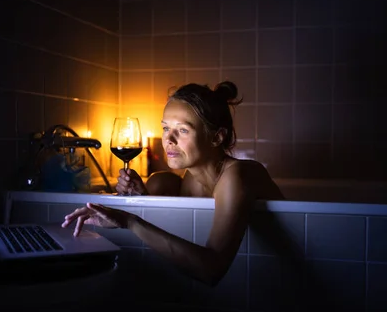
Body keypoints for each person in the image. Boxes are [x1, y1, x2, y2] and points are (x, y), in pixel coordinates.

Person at [62, 81, 284, 286]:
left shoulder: (237, 176)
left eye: (183, 130)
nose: (168, 139)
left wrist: (129, 221)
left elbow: (212, 270)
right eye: (166, 128)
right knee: (159, 181)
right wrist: (143, 200)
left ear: (217, 137)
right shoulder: (189, 180)